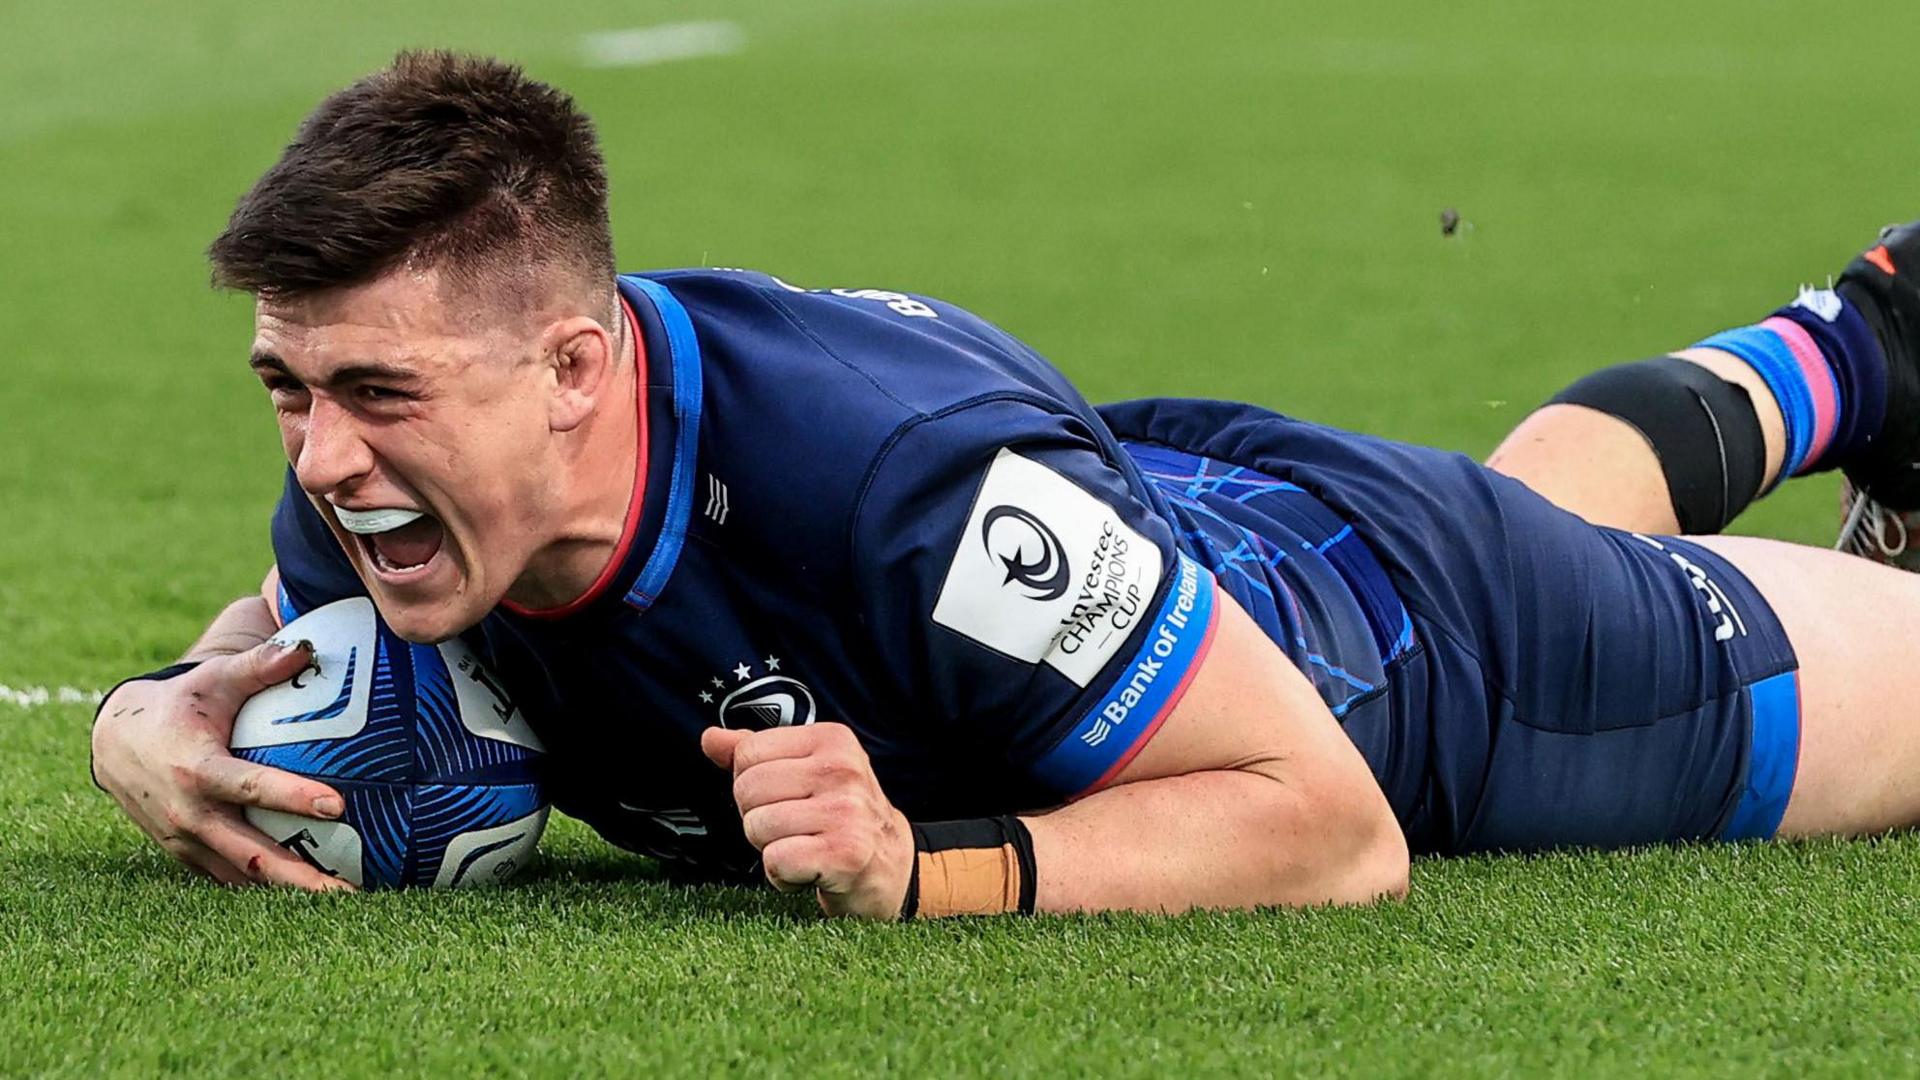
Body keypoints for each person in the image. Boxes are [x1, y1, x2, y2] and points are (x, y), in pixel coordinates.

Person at [87, 51, 1920, 918]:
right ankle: (1864, 348)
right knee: (1547, 491)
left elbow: (1335, 825)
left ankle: (1864, 356)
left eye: (377, 395)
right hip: (1172, 522)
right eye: (289, 391)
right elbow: (271, 633)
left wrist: (929, 867)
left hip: (1436, 663)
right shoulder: (386, 492)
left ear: (577, 371)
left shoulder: (887, 489)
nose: (327, 458)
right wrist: (149, 716)